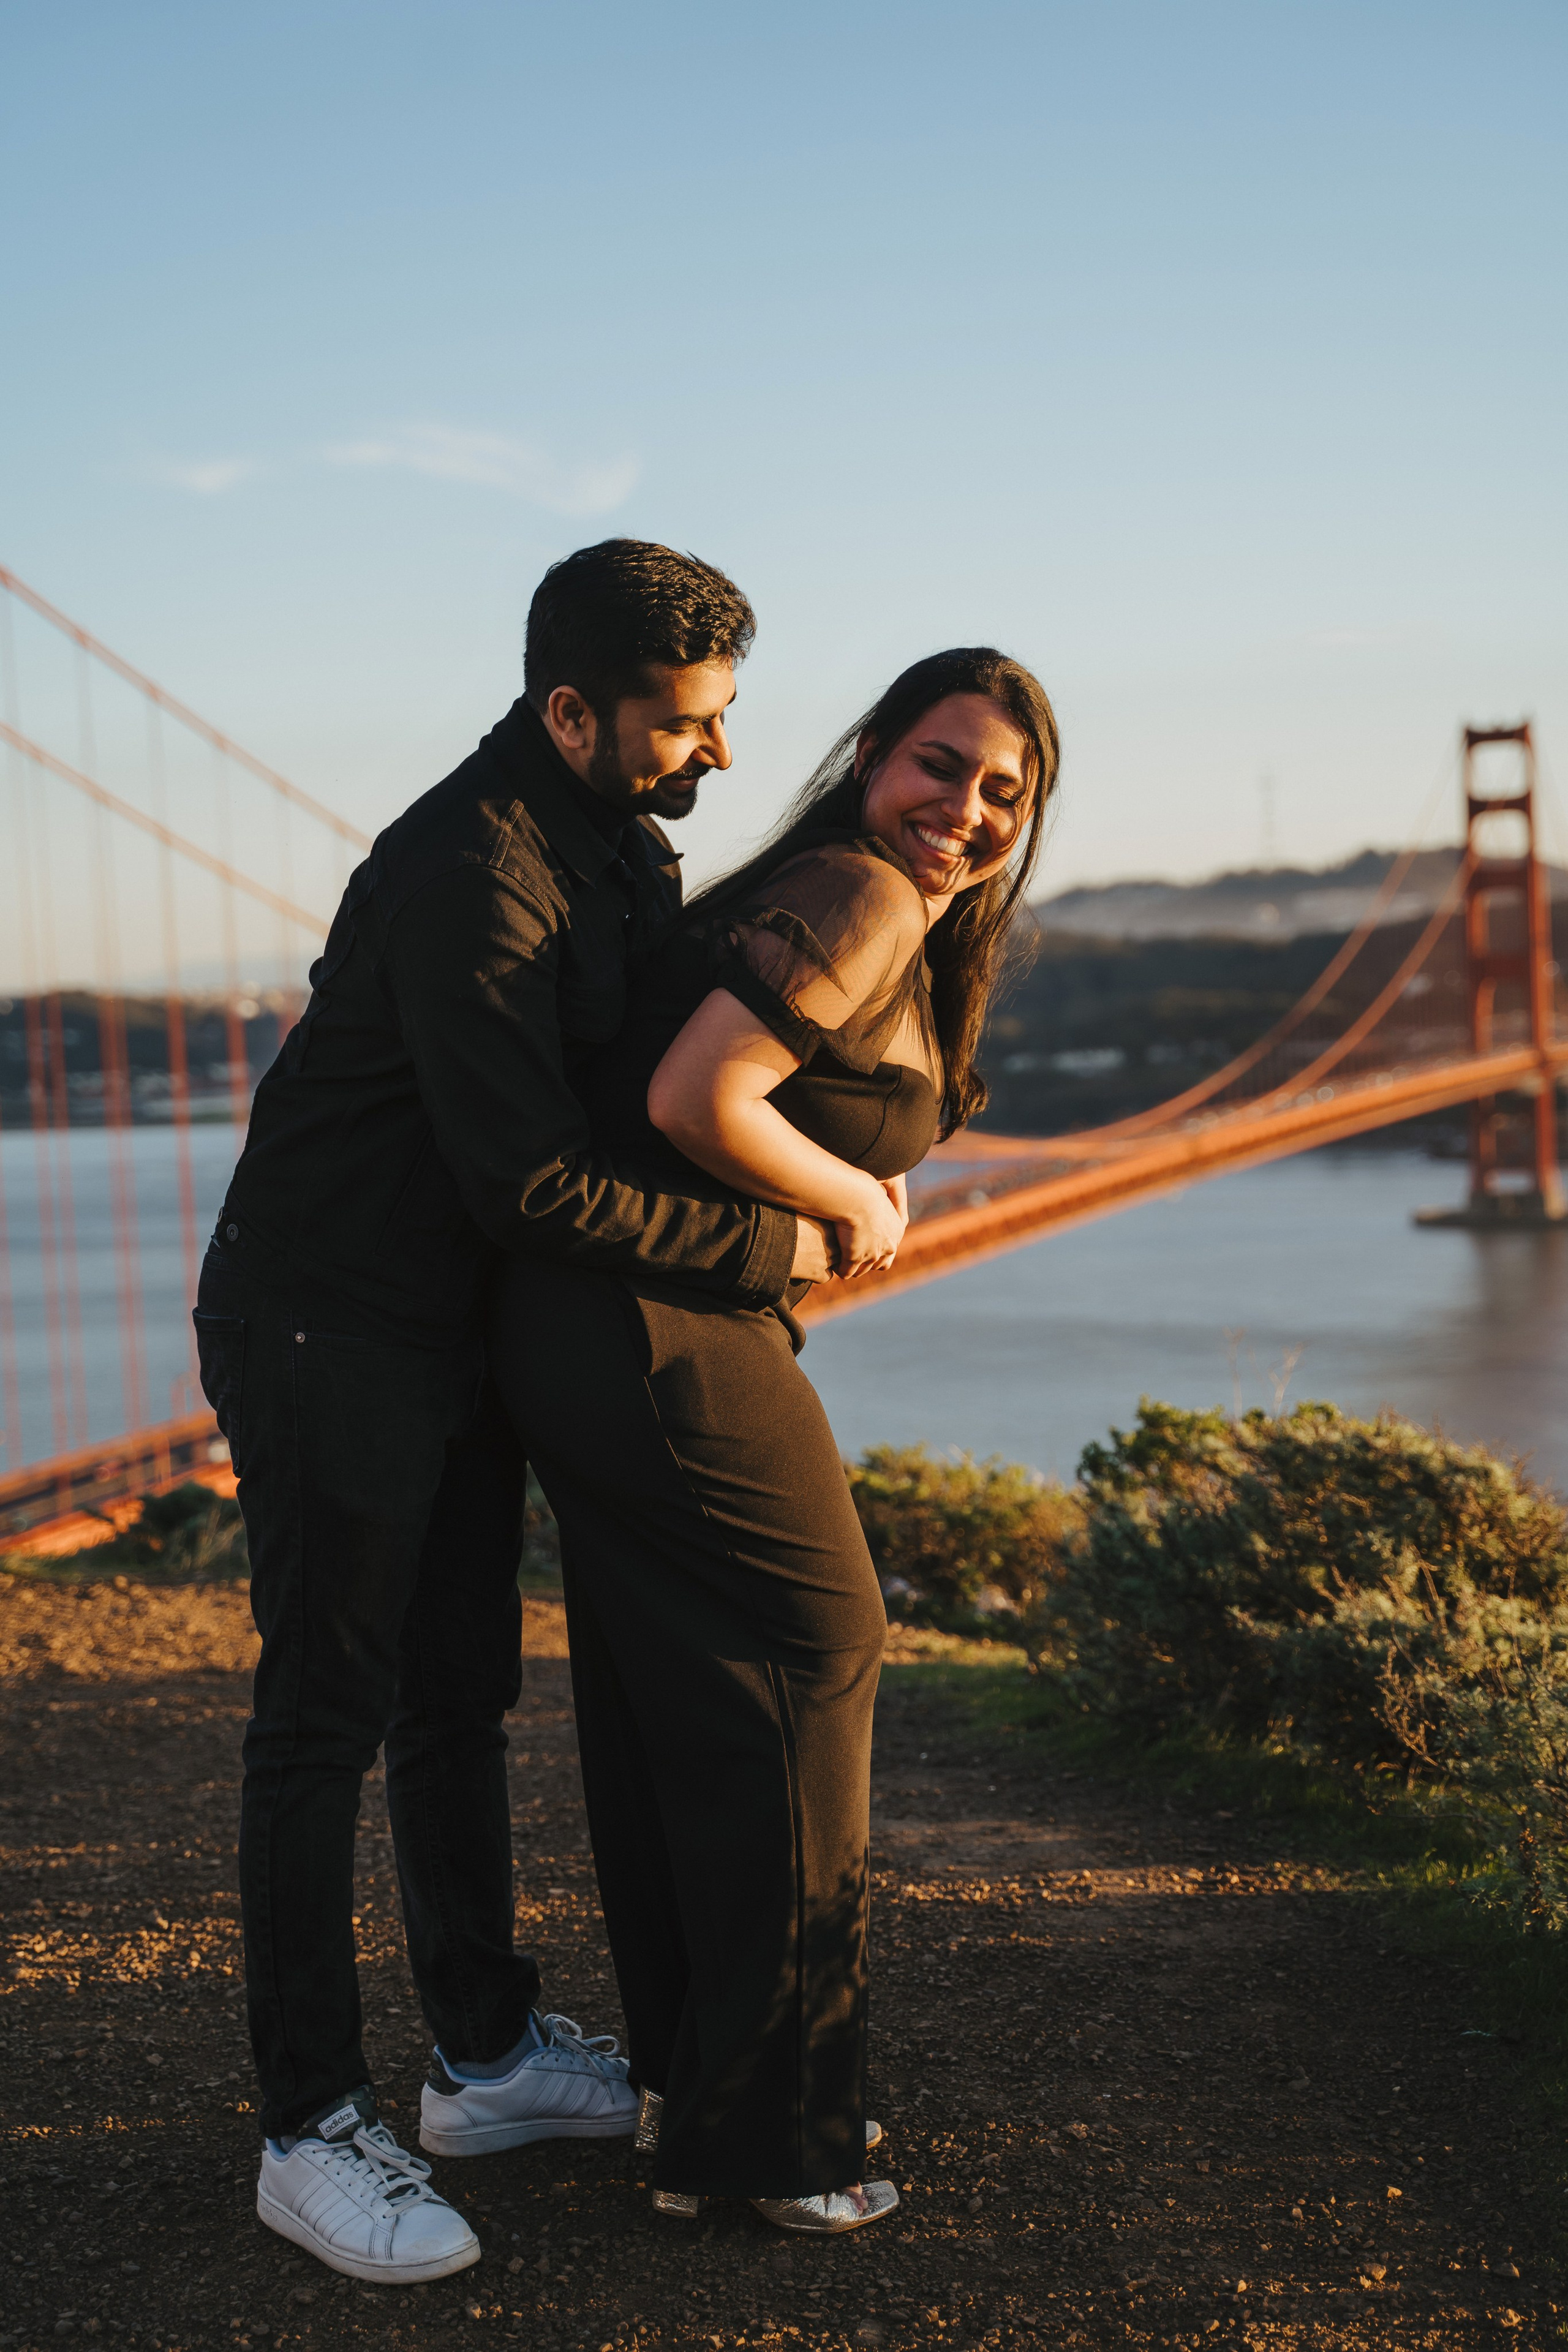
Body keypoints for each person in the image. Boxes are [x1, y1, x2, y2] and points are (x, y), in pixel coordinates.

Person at [194, 541, 836, 2285]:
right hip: (330, 1322)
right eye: (685, 724)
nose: (716, 755)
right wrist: (774, 1234)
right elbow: (529, 1181)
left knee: (456, 1695)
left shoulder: (604, 839)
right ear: (571, 711)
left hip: (450, 1333)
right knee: (324, 1715)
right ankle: (307, 2130)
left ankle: (479, 2060)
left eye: (729, 720)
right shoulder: (469, 873)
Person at [488, 646, 1060, 2236]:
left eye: (1006, 790)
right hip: (663, 1328)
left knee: (679, 1692)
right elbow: (698, 1096)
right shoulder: (861, 889)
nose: (968, 807)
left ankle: (708, 2099)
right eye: (942, 764)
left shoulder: (872, 907)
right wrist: (856, 1193)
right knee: (824, 1650)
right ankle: (780, 2137)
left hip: (600, 1327)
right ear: (877, 752)